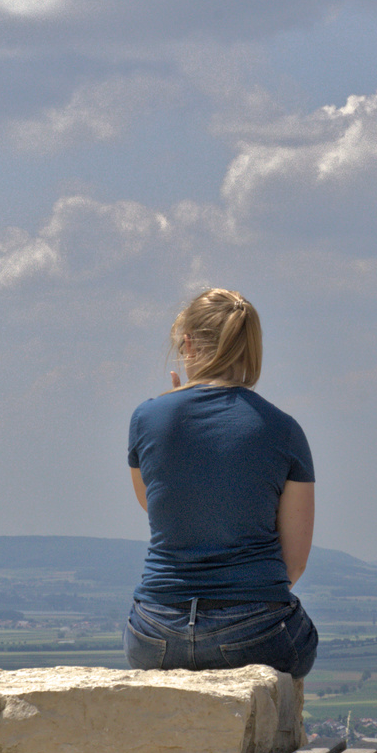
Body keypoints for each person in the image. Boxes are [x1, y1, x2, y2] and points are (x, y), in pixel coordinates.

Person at [123, 288, 319, 683]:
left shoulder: (146, 417)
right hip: (252, 632)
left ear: (188, 342)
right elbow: (293, 564)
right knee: (304, 637)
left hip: (155, 632)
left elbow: (156, 505)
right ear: (250, 349)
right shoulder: (283, 429)